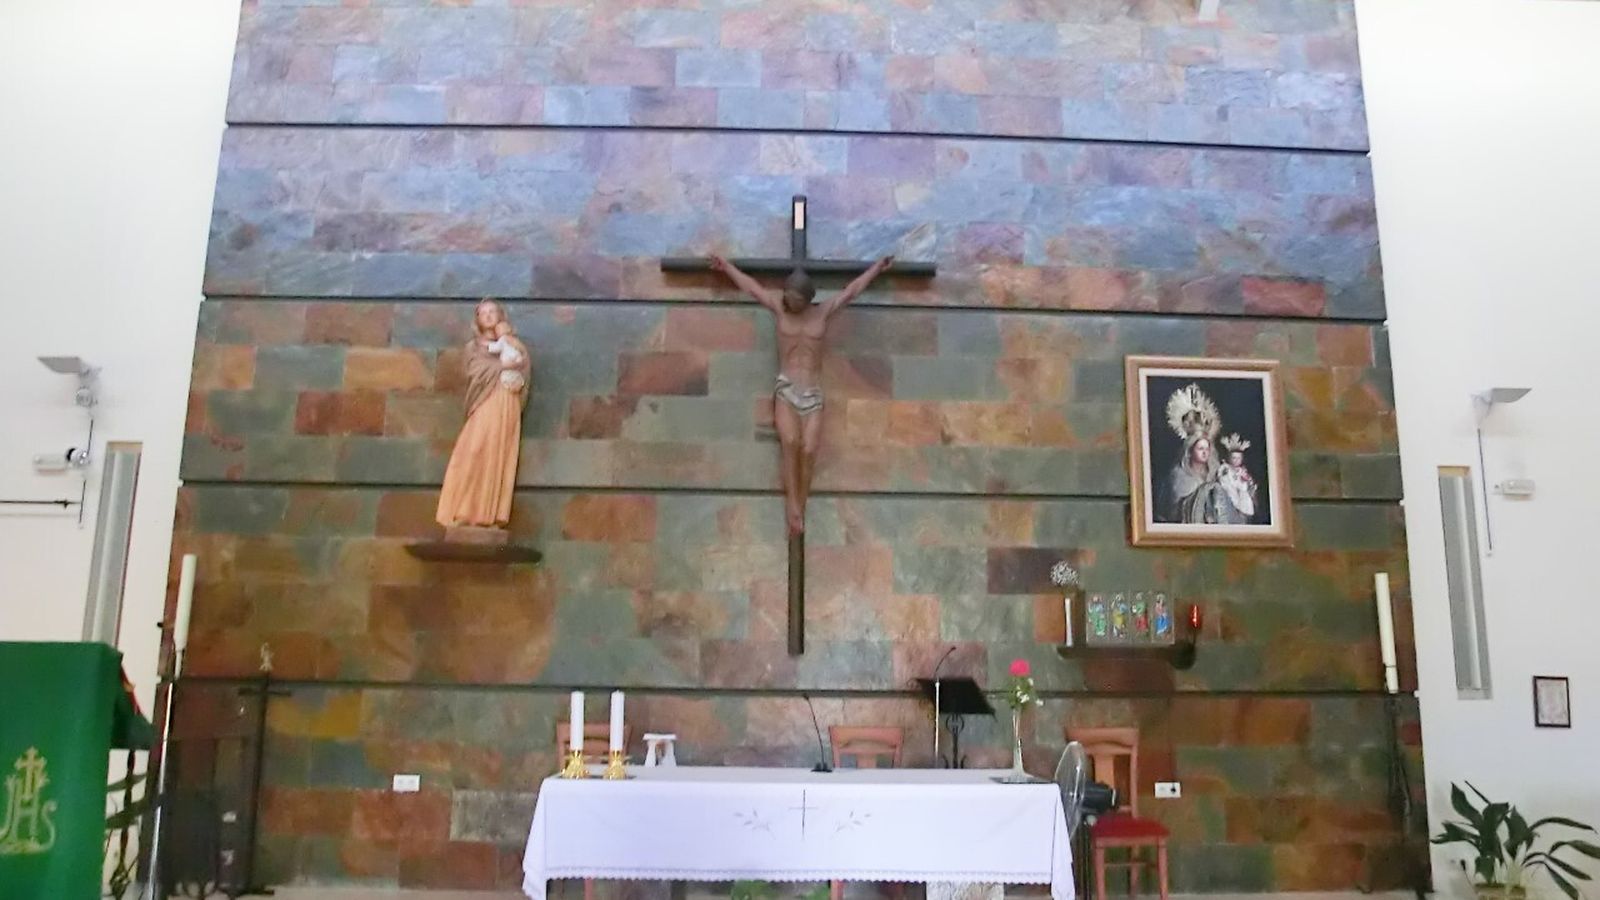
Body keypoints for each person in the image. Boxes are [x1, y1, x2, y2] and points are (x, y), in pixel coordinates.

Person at [708, 254, 895, 535]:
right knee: (791, 441)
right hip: (787, 388)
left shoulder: (823, 312)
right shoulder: (778, 309)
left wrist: (877, 268)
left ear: (807, 300)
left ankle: (800, 506)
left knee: (809, 450)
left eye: (795, 300)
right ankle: (793, 506)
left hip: (813, 392)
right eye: (787, 297)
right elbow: (751, 287)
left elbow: (852, 290)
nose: (789, 303)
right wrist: (727, 268)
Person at [436, 299, 532, 530]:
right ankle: (462, 510)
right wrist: (503, 367)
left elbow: (523, 368)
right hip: (484, 401)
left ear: (501, 316)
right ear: (477, 319)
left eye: (493, 312)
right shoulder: (475, 348)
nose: (488, 316)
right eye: (483, 313)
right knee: (475, 448)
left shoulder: (514, 344)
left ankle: (487, 515)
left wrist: (512, 359)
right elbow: (475, 371)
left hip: (505, 401)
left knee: (497, 452)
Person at [1216, 433, 1258, 523]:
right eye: (1233, 458)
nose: (1236, 460)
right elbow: (1223, 480)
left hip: (1241, 495)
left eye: (1238, 458)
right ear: (1229, 458)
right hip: (1230, 492)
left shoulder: (1242, 470)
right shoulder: (1225, 468)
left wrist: (1247, 481)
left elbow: (1247, 483)